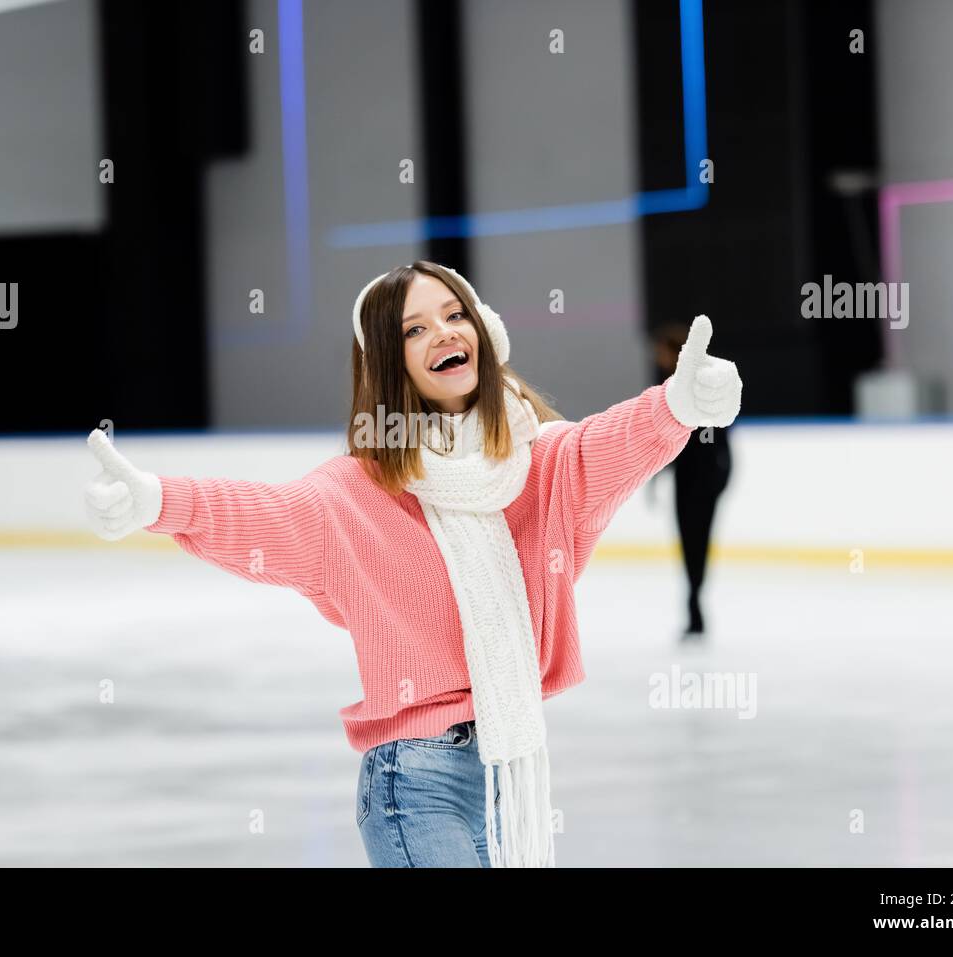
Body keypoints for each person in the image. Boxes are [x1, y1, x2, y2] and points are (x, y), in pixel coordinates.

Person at [83, 262, 742, 866]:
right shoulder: (358, 492)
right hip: (414, 782)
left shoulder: (540, 467)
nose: (444, 333)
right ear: (390, 365)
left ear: (484, 331)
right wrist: (158, 499)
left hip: (502, 774)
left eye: (456, 315)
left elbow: (608, 444)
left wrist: (677, 405)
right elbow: (265, 515)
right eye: (415, 329)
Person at [651, 321, 734, 639]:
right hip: (685, 481)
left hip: (704, 481)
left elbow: (720, 438)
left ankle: (695, 605)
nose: (657, 356)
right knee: (688, 544)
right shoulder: (667, 388)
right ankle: (693, 604)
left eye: (661, 351)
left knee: (697, 544)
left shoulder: (701, 385)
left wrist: (722, 477)